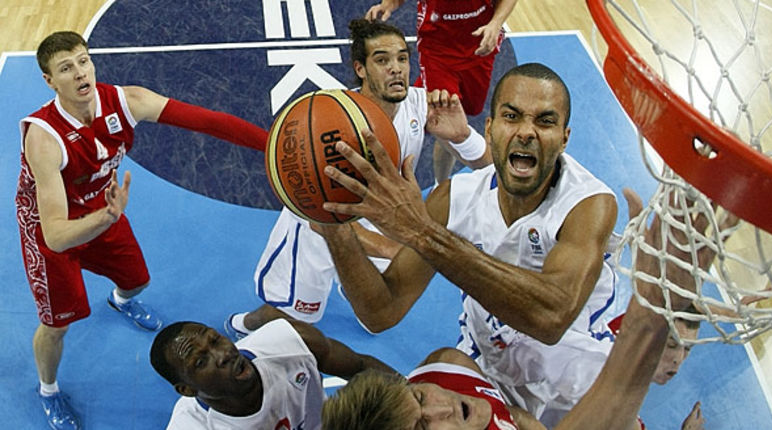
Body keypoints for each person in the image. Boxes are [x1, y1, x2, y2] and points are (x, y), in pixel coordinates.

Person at [316, 62, 619, 426]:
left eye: (545, 121)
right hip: (490, 362)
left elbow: (551, 317)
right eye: (512, 116)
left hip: (575, 372)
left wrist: (422, 232)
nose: (526, 132)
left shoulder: (589, 204)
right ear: (490, 128)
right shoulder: (454, 198)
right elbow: (381, 311)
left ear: (565, 137)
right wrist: (333, 226)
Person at [18, 31, 268, 430]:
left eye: (83, 60)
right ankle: (48, 390)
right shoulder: (44, 138)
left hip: (104, 208)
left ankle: (120, 300)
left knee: (137, 281)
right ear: (50, 81)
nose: (80, 72)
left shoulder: (126, 100)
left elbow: (209, 122)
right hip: (53, 231)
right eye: (66, 68)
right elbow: (56, 236)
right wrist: (104, 218)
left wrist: (270, 145)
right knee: (57, 323)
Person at [320, 188, 723, 430]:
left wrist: (330, 222)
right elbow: (612, 398)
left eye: (421, 399)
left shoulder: (446, 370)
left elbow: (515, 414)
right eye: (424, 428)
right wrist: (652, 308)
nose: (442, 404)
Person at [224, 18, 492, 337]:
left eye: (402, 58)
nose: (396, 68)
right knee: (294, 315)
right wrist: (396, 247)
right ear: (361, 69)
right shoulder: (331, 125)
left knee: (375, 316)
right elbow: (322, 217)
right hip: (321, 225)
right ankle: (244, 325)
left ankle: (349, 283)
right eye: (382, 60)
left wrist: (462, 137)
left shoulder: (421, 105)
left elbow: (490, 172)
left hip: (382, 220)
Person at [366, 0, 519, 184]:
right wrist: (387, 5)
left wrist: (496, 23)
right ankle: (431, 183)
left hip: (478, 49)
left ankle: (443, 182)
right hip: (437, 52)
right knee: (440, 117)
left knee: (452, 120)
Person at [149, 317, 395, 429]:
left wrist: (414, 399)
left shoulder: (288, 341)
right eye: (201, 361)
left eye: (216, 340)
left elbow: (361, 366)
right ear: (187, 389)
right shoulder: (191, 426)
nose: (223, 354)